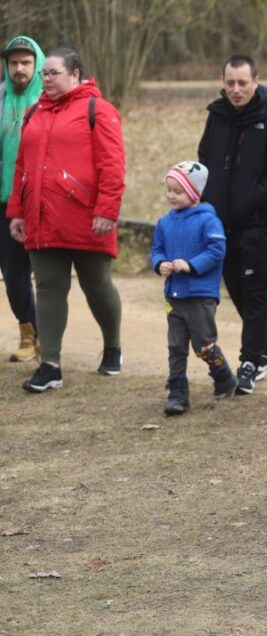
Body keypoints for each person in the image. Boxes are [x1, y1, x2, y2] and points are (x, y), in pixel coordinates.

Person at [8, 46, 126, 393]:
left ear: (76, 75)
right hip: (41, 218)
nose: (46, 78)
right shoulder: (33, 114)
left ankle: (113, 347)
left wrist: (107, 209)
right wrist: (16, 211)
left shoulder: (98, 110)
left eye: (53, 73)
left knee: (97, 286)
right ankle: (51, 365)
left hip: (88, 218)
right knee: (47, 288)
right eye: (44, 73)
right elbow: (21, 168)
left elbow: (113, 166)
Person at [198, 54, 267, 395]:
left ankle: (250, 361)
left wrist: (252, 199)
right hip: (219, 223)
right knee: (236, 288)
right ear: (223, 82)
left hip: (258, 222)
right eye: (230, 83)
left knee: (254, 290)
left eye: (243, 82)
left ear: (256, 81)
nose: (236, 89)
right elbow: (204, 159)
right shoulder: (217, 116)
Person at [151, 161, 237, 415]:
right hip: (174, 295)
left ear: (194, 193)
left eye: (177, 191)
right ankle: (177, 392)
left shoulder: (208, 220)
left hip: (200, 295)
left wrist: (191, 265)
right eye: (168, 190)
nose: (171, 196)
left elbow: (217, 250)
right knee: (176, 346)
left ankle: (223, 375)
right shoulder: (164, 223)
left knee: (204, 345)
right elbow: (156, 250)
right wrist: (160, 265)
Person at [0, 36, 44, 364]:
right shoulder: (0, 97)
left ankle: (47, 338)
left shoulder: (46, 100)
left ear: (37, 64)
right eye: (13, 63)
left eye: (25, 63)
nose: (19, 69)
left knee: (42, 276)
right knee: (13, 273)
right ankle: (29, 334)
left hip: (37, 201)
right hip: (3, 201)